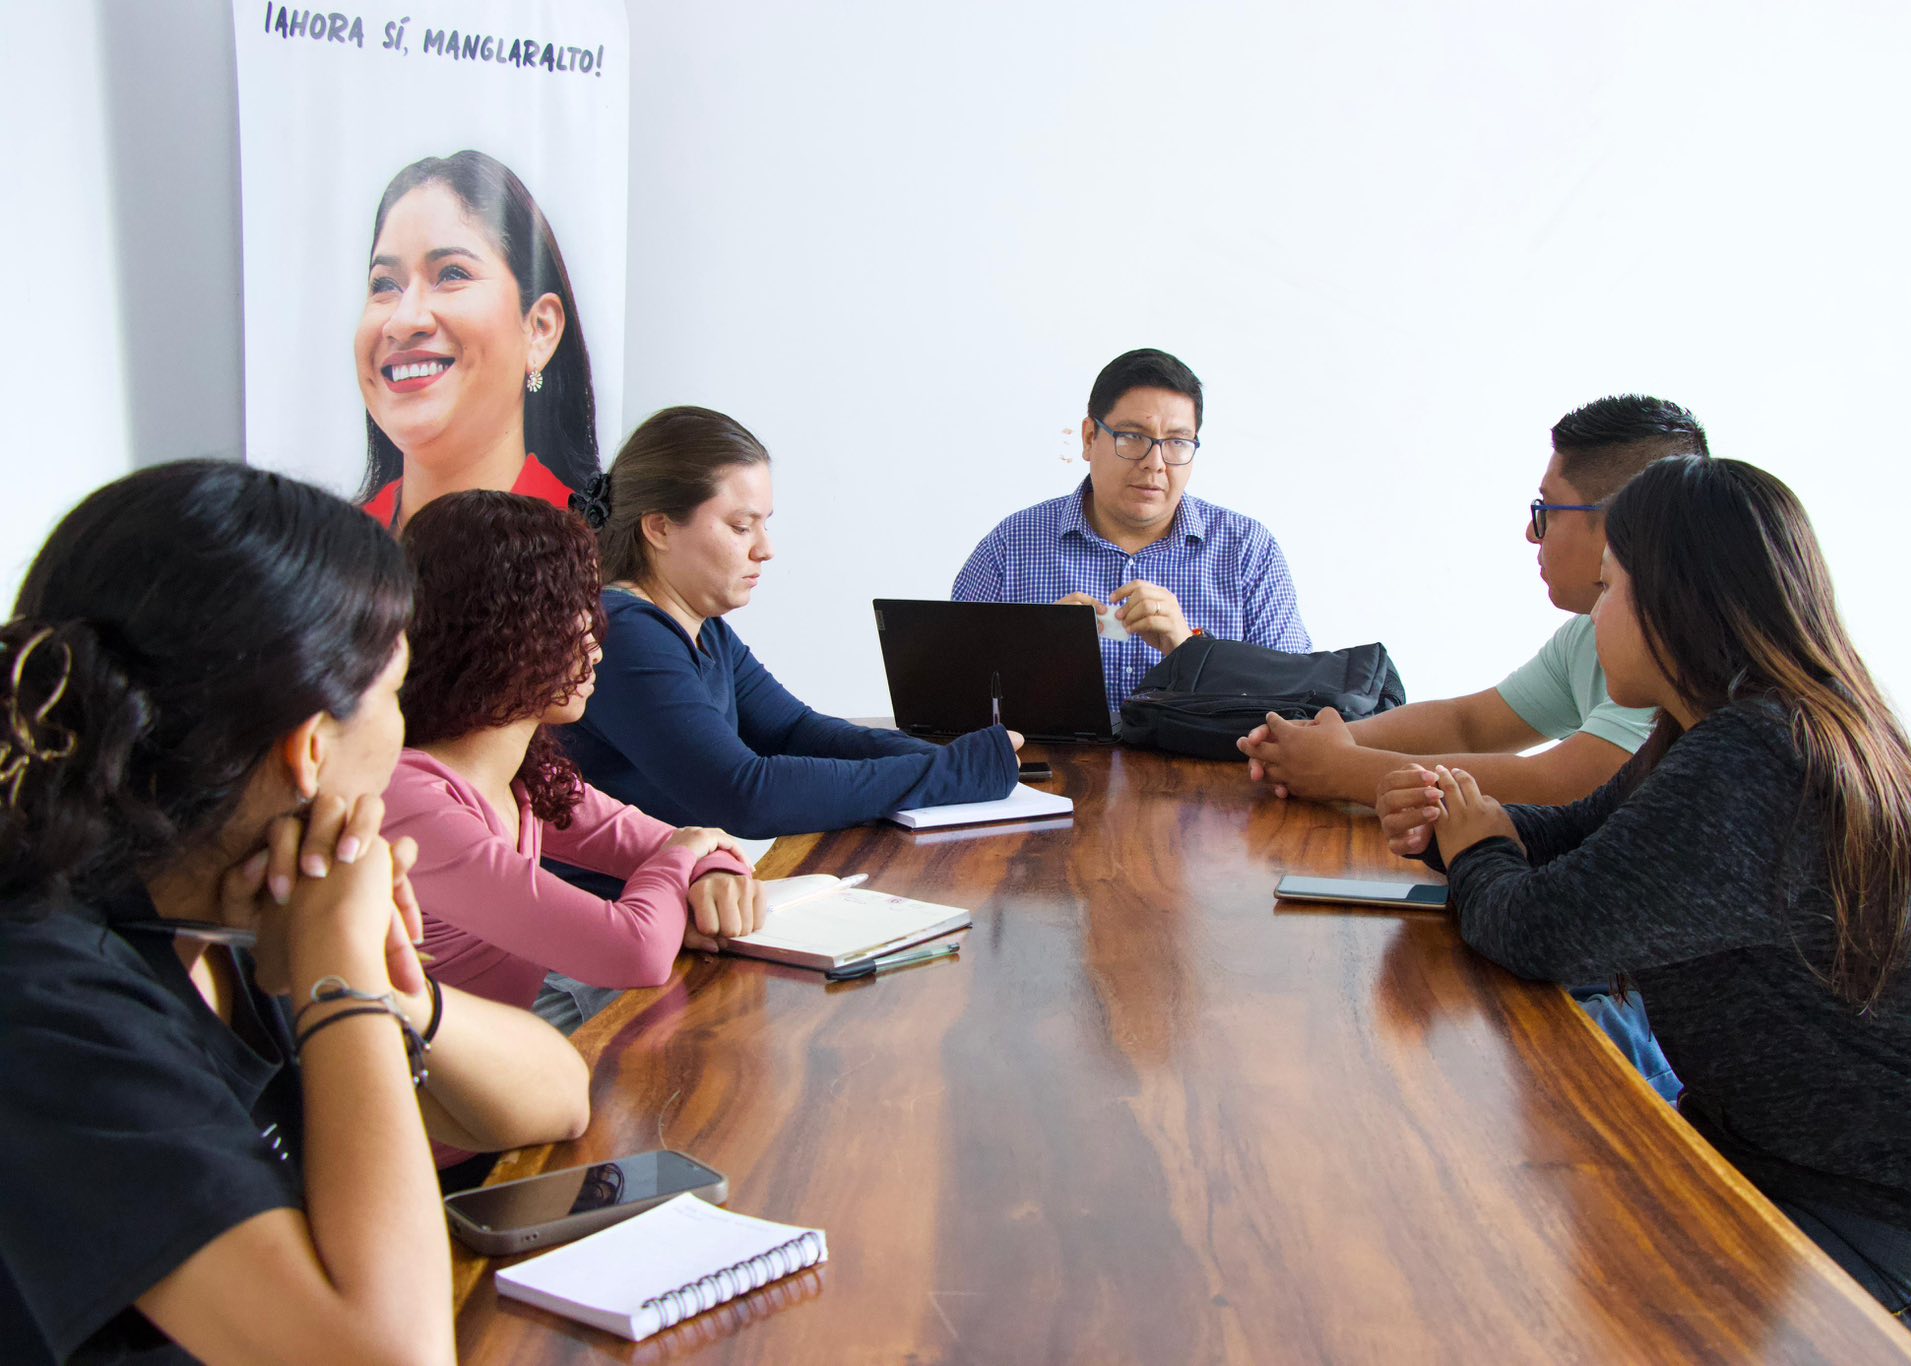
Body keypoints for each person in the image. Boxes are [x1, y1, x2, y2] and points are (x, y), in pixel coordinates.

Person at [1423, 454, 1911, 1355]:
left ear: (1674, 603)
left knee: (1509, 1282)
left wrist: (1477, 849)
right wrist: (1466, 825)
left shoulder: (1759, 760)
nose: (1593, 616)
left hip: (1893, 1243)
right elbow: (1581, 837)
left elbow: (1542, 932)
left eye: (1610, 588)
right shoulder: (1734, 732)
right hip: (1784, 1172)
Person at [0, 461, 590, 1362]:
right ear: (311, 750)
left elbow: (557, 1097)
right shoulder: (43, 997)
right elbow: (392, 1355)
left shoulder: (227, 903)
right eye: (396, 694)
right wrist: (340, 976)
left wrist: (391, 989)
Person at [383, 490, 762, 1044]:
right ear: (496, 632)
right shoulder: (413, 801)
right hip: (424, 1092)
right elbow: (633, 949)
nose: (595, 646)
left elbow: (691, 845)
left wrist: (711, 869)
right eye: (568, 615)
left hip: (500, 1072)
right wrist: (685, 857)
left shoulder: (528, 774)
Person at [1239, 394, 1707, 825]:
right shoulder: (1587, 633)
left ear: (1621, 524)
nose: (1532, 532)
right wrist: (1318, 741)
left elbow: (1561, 786)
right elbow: (1468, 725)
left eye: (1547, 510)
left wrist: (1342, 768)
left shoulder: (1684, 649)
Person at [562, 406, 1021, 840]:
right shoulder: (624, 633)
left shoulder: (703, 627)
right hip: (618, 896)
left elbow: (793, 731)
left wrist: (945, 758)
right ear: (659, 527)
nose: (765, 549)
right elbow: (746, 795)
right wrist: (953, 772)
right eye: (741, 526)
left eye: (765, 524)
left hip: (679, 886)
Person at [952, 348, 1311, 714]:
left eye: (1177, 442)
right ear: (1089, 437)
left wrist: (1190, 650)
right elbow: (948, 699)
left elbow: (1297, 708)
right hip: (1046, 755)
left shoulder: (1248, 551)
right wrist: (1029, 655)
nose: (1155, 464)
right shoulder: (1012, 546)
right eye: (1133, 437)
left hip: (1203, 756)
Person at [354, 149, 600, 531]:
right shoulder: (321, 554)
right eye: (385, 284)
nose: (403, 320)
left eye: (452, 274)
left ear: (540, 329)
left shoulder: (601, 552)